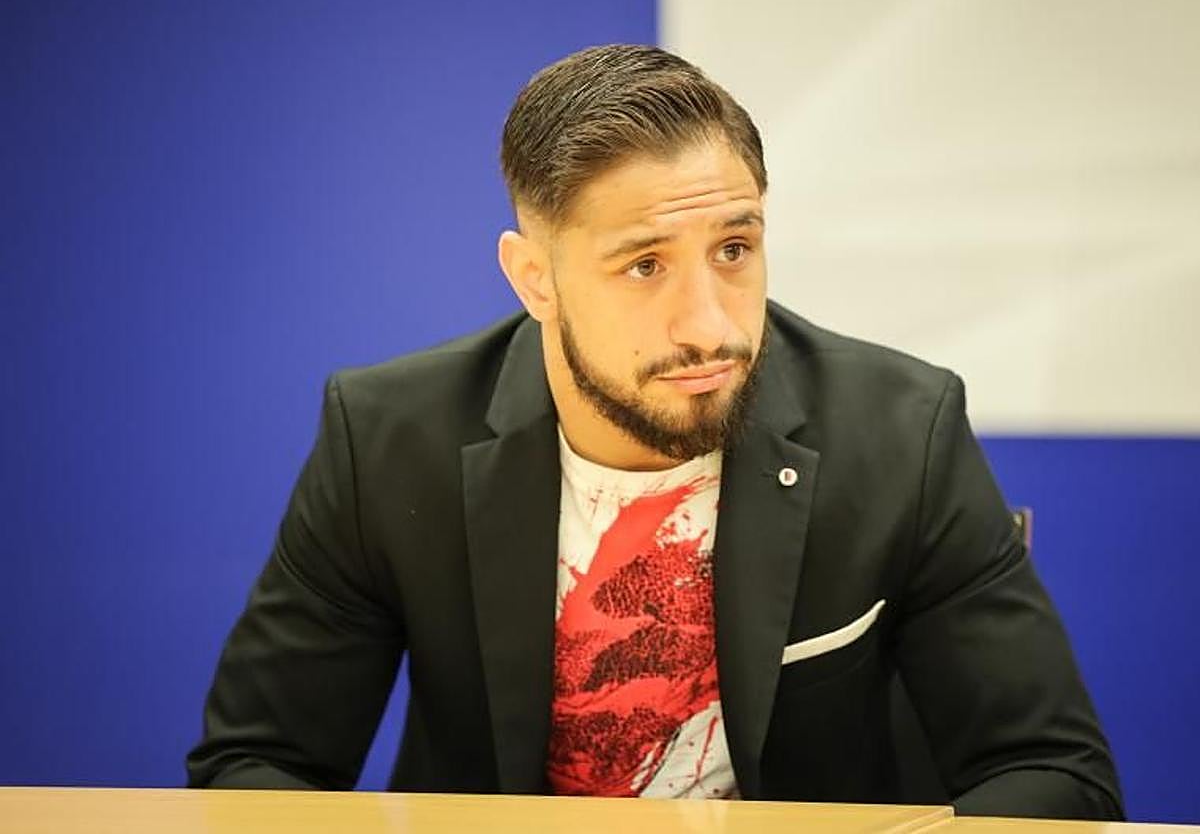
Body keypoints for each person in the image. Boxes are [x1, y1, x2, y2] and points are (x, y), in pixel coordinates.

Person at [187, 44, 1122, 819]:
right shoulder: (390, 440)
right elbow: (257, 767)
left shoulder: (901, 431)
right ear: (535, 279)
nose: (710, 325)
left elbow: (1054, 776)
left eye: (734, 249)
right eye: (644, 265)